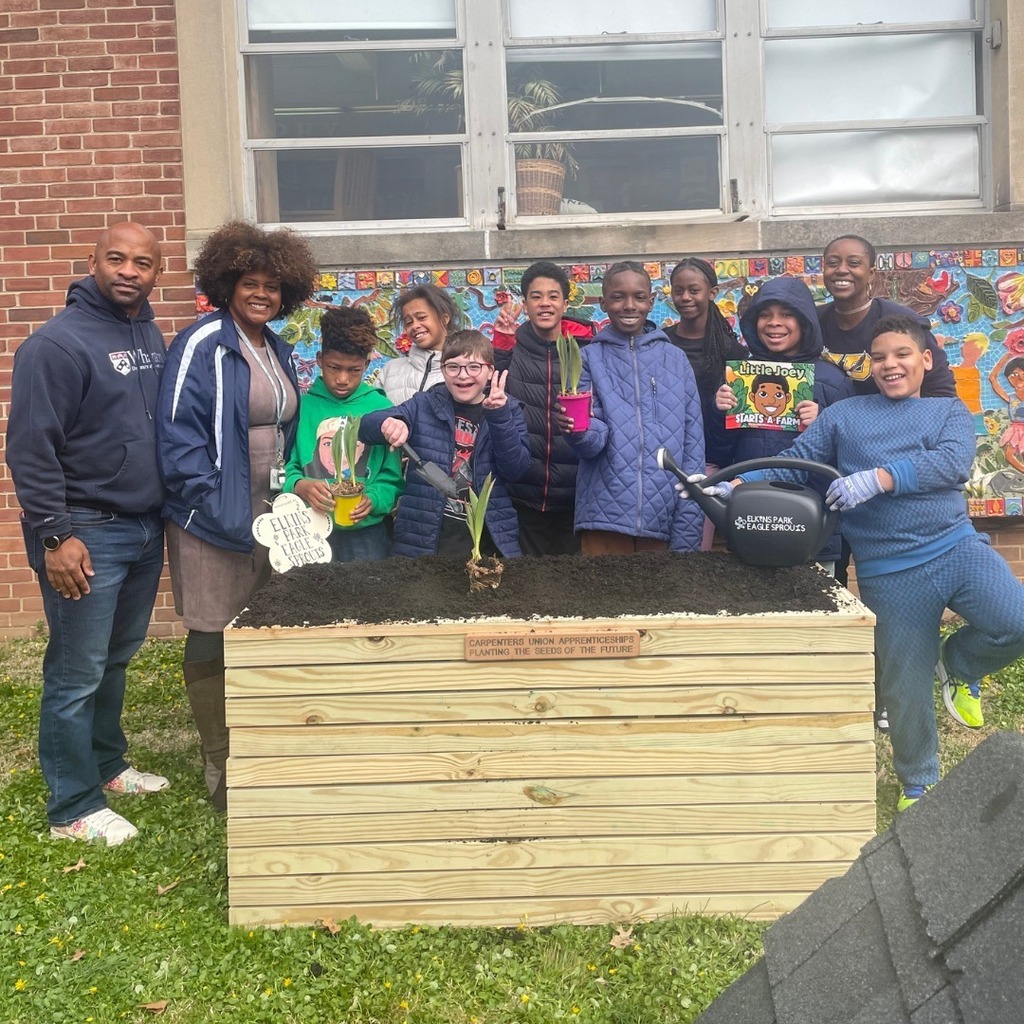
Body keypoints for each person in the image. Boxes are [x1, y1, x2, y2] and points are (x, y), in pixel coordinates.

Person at [709, 315, 1024, 812]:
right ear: (870, 366)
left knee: (1016, 622)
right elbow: (797, 460)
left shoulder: (949, 413)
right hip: (888, 570)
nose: (890, 365)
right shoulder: (845, 415)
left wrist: (879, 477)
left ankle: (959, 664)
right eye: (879, 357)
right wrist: (736, 482)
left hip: (956, 547)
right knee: (904, 687)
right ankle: (918, 782)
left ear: (925, 359)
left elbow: (951, 465)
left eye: (901, 354)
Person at [6, 222, 169, 845]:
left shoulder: (149, 334)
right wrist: (55, 536)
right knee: (76, 672)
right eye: (117, 258)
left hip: (143, 528)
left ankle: (107, 766)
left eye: (144, 262)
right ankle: (71, 807)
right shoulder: (55, 345)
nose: (130, 270)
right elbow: (30, 449)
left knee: (116, 658)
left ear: (157, 273)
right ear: (93, 262)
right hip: (85, 533)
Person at [157, 220, 318, 811]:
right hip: (212, 511)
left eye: (273, 287)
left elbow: (286, 428)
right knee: (211, 622)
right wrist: (205, 501)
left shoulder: (275, 347)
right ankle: (218, 757)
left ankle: (260, 740)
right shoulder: (202, 343)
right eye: (250, 282)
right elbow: (177, 434)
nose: (261, 294)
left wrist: (289, 491)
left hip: (270, 507)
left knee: (260, 620)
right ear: (226, 282)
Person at [559, 261, 705, 555]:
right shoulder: (588, 359)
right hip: (604, 516)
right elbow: (592, 443)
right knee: (603, 600)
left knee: (661, 601)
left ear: (651, 301)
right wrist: (577, 431)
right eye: (617, 297)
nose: (629, 305)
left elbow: (693, 446)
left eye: (639, 297)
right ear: (602, 302)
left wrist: (689, 521)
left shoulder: (675, 360)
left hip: (663, 514)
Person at [715, 276, 854, 571]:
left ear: (805, 322)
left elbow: (852, 457)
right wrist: (720, 412)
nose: (774, 323)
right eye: (764, 314)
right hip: (750, 519)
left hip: (814, 530)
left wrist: (824, 423)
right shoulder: (740, 378)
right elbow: (719, 453)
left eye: (786, 314)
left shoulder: (832, 381)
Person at [360, 330, 530, 559]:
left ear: (490, 371)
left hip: (488, 542)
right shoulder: (424, 404)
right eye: (453, 367)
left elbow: (516, 469)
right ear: (443, 371)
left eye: (473, 367)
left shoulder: (509, 411)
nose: (463, 375)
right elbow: (366, 427)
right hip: (424, 540)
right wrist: (389, 423)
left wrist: (499, 417)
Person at [284, 305, 403, 561]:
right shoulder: (301, 407)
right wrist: (298, 485)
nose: (342, 379)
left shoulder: (381, 410)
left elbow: (392, 477)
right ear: (318, 360)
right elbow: (287, 464)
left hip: (366, 537)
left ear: (368, 364)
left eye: (354, 370)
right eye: (333, 367)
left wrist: (374, 499)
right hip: (308, 532)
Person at [493, 261, 595, 556]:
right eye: (536, 297)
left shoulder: (587, 348)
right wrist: (501, 345)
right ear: (525, 304)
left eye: (553, 296)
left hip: (576, 495)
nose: (545, 303)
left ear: (565, 303)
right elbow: (493, 395)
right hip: (524, 494)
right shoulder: (513, 346)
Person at [665, 257, 748, 548]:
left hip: (709, 465)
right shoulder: (660, 344)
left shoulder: (732, 352)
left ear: (712, 293)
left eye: (694, 290)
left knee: (693, 549)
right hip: (663, 460)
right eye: (678, 290)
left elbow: (737, 421)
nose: (685, 297)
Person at [817, 234, 957, 398]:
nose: (841, 270)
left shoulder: (903, 323)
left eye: (854, 263)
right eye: (832, 263)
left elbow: (941, 391)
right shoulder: (812, 323)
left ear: (871, 273)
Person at [378, 284, 466, 404]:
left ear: (444, 318)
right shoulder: (390, 370)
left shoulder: (465, 370)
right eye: (408, 322)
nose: (415, 326)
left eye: (421, 317)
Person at [988, 352, 1024, 472]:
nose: (1019, 378)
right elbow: (993, 378)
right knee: (1009, 455)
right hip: (1016, 430)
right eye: (1014, 374)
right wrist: (1006, 357)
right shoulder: (1011, 398)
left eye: (1022, 374)